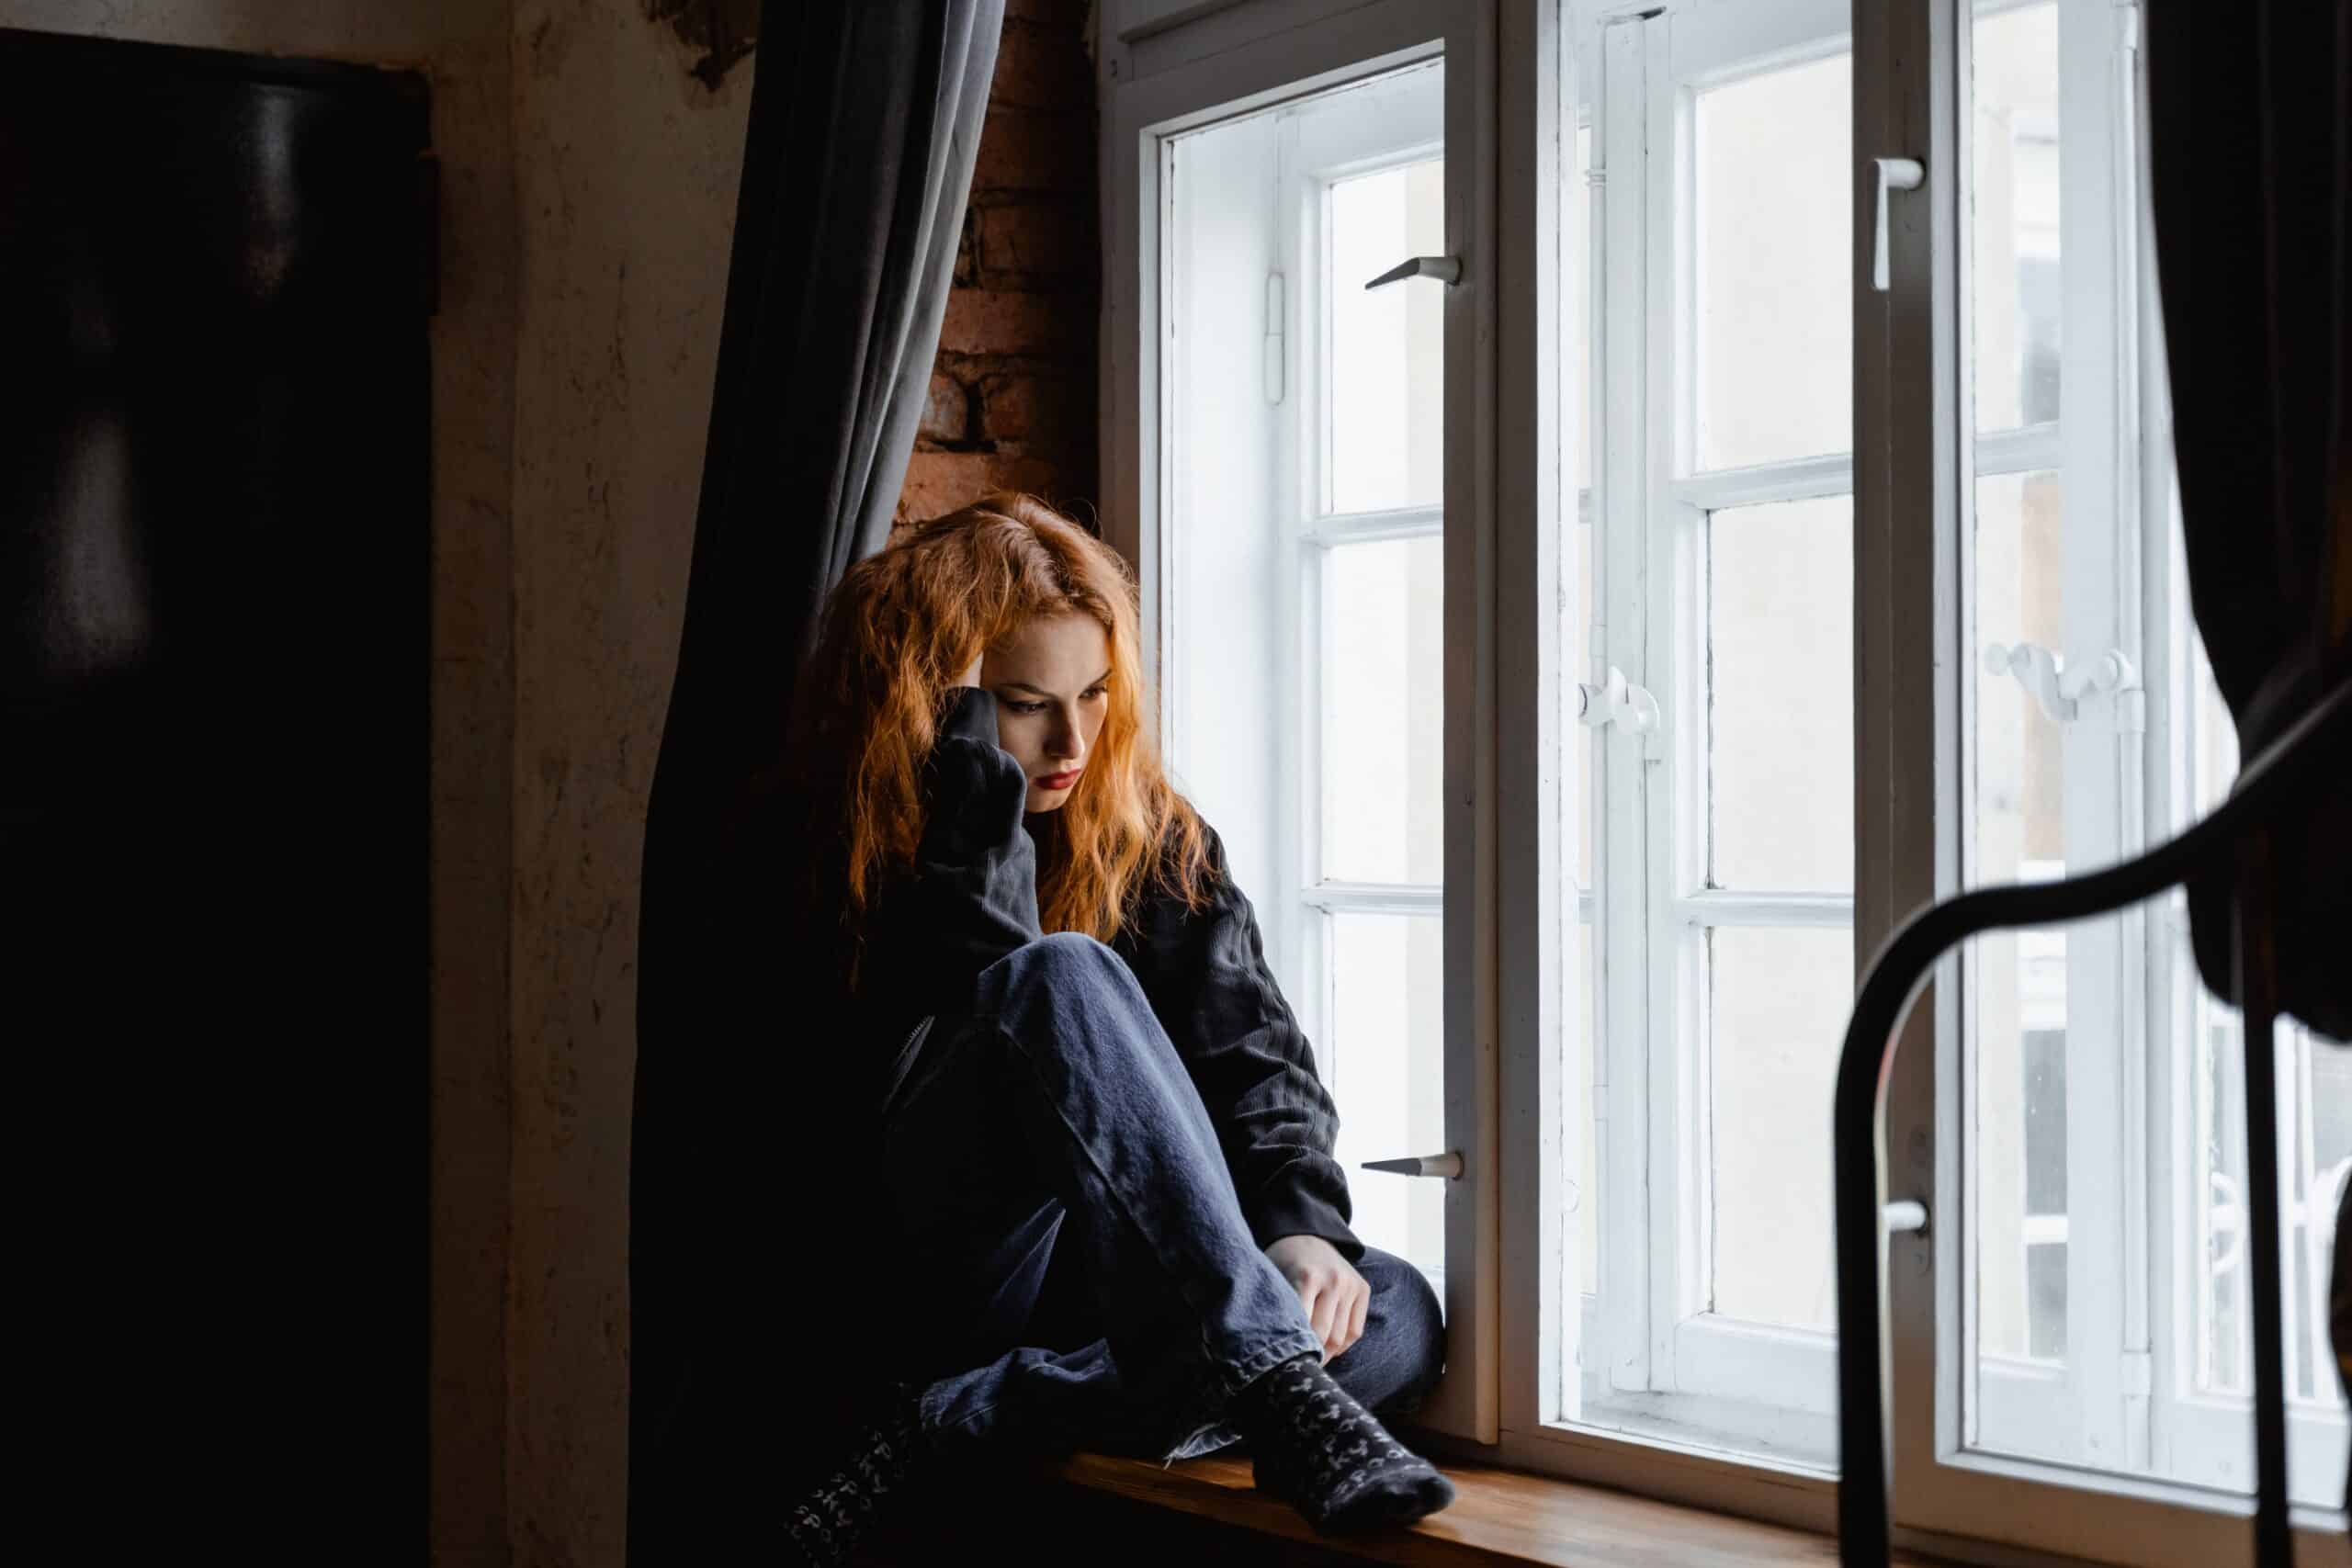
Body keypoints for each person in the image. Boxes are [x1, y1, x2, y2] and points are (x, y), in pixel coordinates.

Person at [770, 492, 1453, 1562]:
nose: (1072, 740)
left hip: (1112, 1303)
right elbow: (970, 1022)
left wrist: (1301, 1228)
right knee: (1057, 972)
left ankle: (969, 1416)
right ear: (934, 703)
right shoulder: (847, 841)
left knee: (1395, 1312)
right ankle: (1244, 1374)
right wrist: (972, 802)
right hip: (942, 1272)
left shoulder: (1152, 833)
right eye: (1022, 703)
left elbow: (1254, 1058)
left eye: (1094, 693)